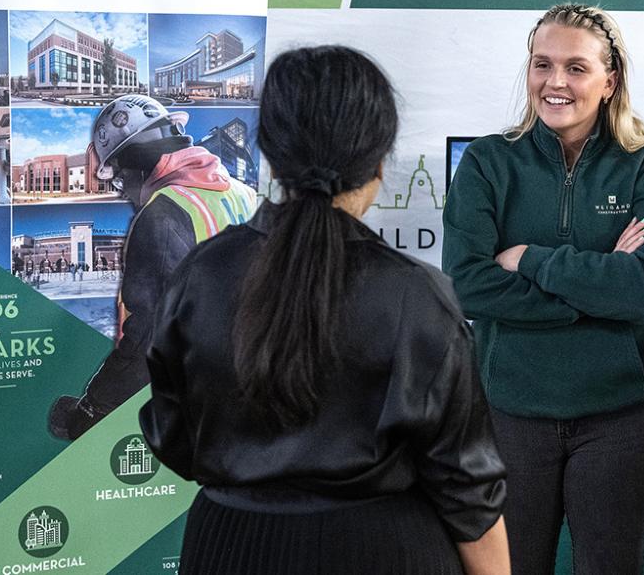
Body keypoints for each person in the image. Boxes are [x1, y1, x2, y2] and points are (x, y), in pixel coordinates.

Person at [139, 46, 509, 575]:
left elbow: (170, 435)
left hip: (230, 548)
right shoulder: (414, 295)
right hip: (385, 552)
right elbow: (467, 488)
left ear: (270, 154)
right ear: (379, 161)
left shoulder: (200, 276)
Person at [442, 3, 644, 574]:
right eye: (541, 64)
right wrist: (595, 288)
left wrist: (528, 258)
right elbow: (468, 287)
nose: (555, 82)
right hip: (511, 414)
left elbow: (641, 291)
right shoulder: (486, 162)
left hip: (622, 417)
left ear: (610, 80)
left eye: (576, 68)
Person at [47, 94, 257, 439]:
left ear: (133, 164)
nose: (122, 192)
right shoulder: (243, 194)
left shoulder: (162, 215)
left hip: (200, 407)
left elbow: (149, 337)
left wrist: (93, 407)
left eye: (117, 179)